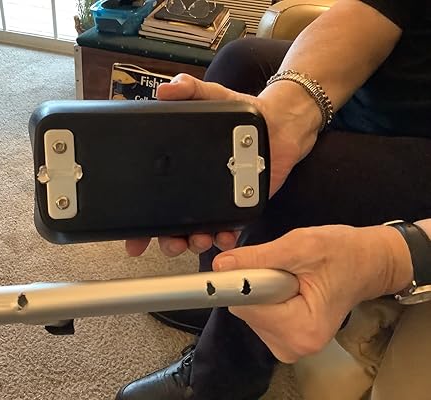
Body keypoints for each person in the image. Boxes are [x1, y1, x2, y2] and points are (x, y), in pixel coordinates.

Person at [115, 0, 431, 399]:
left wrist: (390, 258)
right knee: (238, 64)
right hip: (387, 92)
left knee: (306, 180)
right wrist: (285, 108)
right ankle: (217, 293)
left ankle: (222, 378)